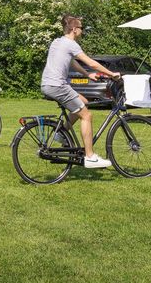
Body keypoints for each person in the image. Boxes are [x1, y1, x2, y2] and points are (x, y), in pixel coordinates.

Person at [41, 15, 118, 168]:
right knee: (86, 115)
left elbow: (72, 62)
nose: (82, 31)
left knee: (83, 102)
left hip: (48, 84)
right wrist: (111, 74)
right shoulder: (71, 44)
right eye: (81, 28)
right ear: (74, 29)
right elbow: (91, 63)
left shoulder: (57, 42)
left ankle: (61, 133)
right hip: (58, 85)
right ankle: (90, 156)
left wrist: (87, 75)